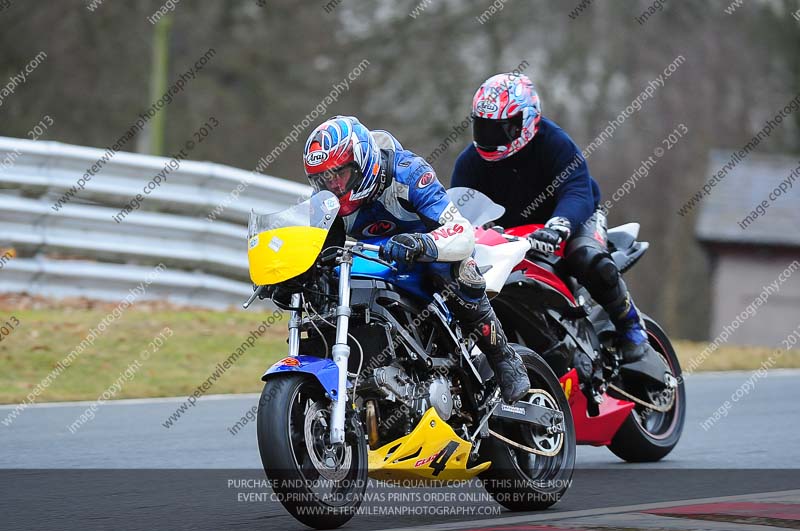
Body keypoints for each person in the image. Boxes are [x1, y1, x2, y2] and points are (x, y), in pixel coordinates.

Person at [303, 115, 530, 403]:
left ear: (362, 164)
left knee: (454, 270)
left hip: (432, 248)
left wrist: (423, 243)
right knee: (321, 280)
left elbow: (460, 231)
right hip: (376, 258)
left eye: (339, 174)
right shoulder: (327, 201)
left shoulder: (409, 173)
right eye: (323, 179)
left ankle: (503, 358)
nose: (333, 185)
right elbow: (317, 251)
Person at [451, 73, 662, 379]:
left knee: (588, 258)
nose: (491, 135)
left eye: (503, 127)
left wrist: (560, 225)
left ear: (527, 120)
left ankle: (632, 330)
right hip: (514, 237)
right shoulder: (469, 162)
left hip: (574, 220)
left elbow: (577, 190)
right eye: (483, 125)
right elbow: (459, 212)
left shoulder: (554, 142)